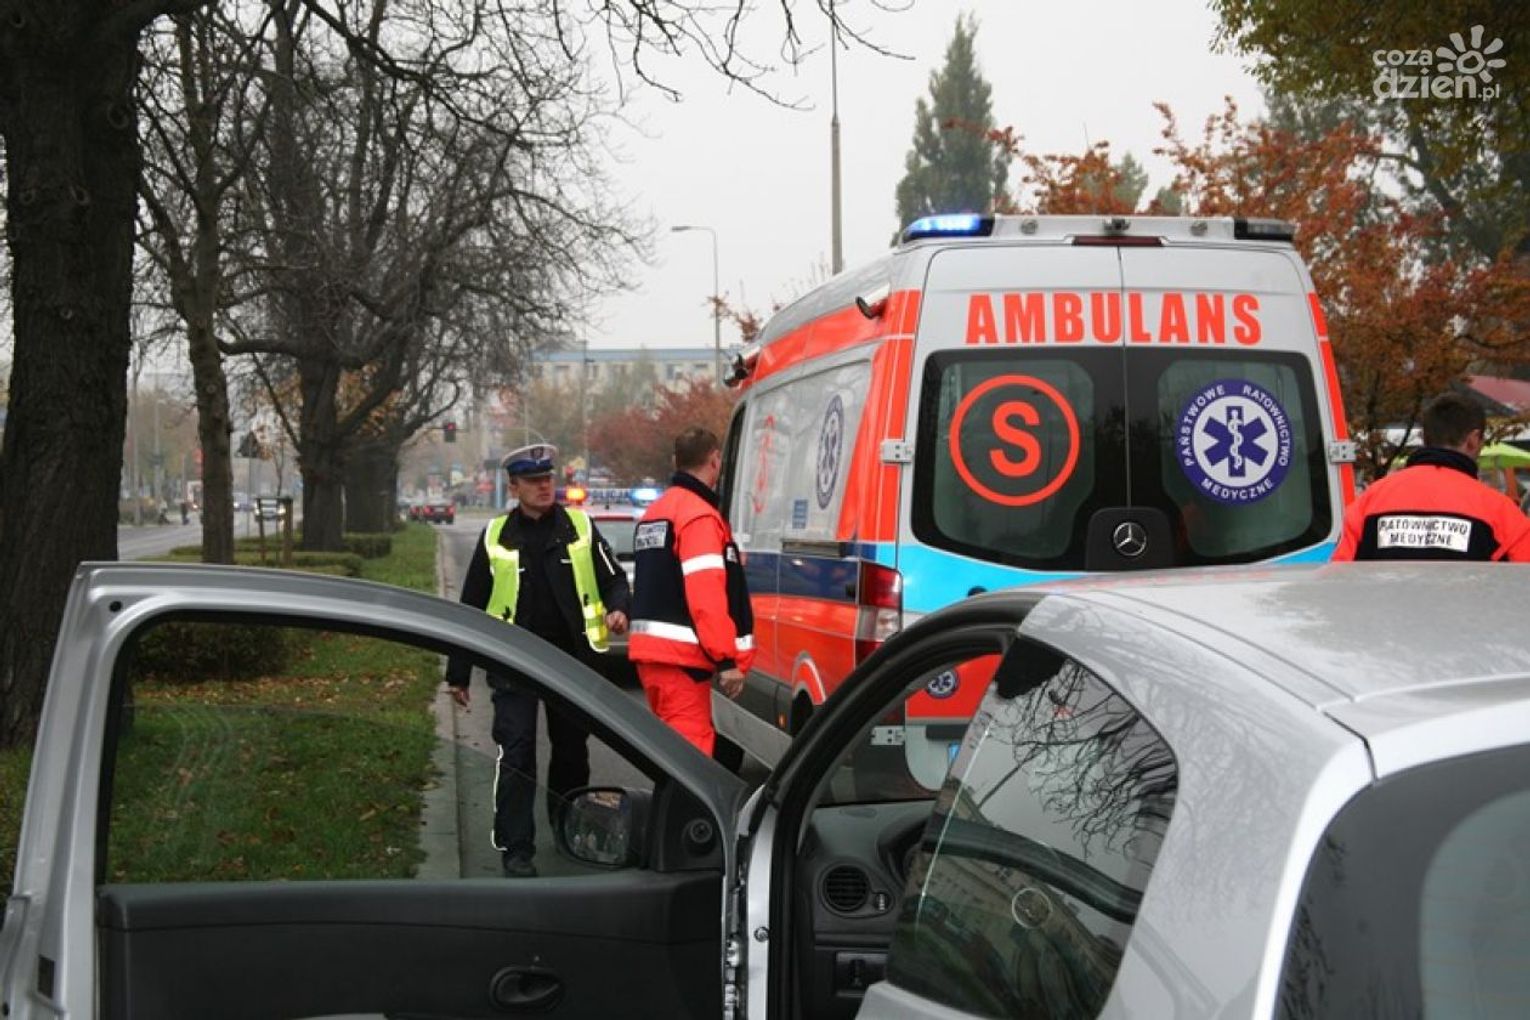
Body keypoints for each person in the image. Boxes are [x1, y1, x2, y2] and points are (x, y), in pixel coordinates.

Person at [445, 443, 631, 878]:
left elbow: (614, 580)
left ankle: (569, 830)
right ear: (513, 487)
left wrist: (619, 607)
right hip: (514, 663)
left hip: (571, 662)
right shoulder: (496, 535)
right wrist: (458, 673)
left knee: (571, 753)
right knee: (517, 754)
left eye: (548, 479)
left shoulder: (579, 527)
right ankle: (516, 847)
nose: (544, 487)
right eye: (533, 481)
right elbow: (471, 606)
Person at [629, 427, 754, 756]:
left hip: (653, 656)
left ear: (676, 461)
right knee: (689, 758)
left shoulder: (656, 513)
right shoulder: (697, 516)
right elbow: (706, 596)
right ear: (715, 460)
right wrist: (726, 659)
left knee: (667, 754)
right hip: (682, 661)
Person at [1333, 392, 1530, 561]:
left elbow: (1340, 575)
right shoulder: (1500, 513)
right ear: (1473, 440)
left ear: (1424, 437)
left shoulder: (1370, 501)